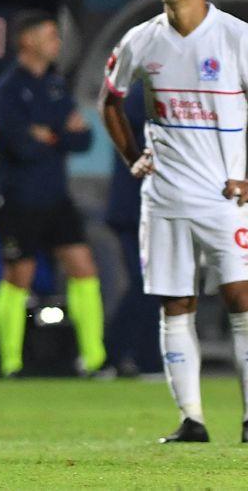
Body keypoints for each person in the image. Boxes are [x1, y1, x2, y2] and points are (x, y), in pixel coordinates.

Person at [98, 0, 248, 442]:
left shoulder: (238, 38)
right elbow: (109, 102)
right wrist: (133, 157)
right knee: (175, 305)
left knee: (241, 297)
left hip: (224, 199)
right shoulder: (140, 41)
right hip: (164, 200)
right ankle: (192, 419)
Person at [0, 10, 106, 378]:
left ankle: (94, 359)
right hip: (18, 199)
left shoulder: (55, 86)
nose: (57, 43)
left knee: (83, 268)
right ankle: (10, 362)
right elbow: (22, 146)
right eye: (50, 35)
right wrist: (58, 134)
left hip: (56, 198)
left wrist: (47, 133)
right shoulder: (7, 90)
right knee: (18, 277)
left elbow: (83, 138)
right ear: (28, 40)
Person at [103, 80, 162, 377]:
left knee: (152, 282)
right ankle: (132, 357)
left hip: (149, 209)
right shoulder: (144, 94)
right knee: (148, 283)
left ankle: (124, 356)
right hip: (135, 209)